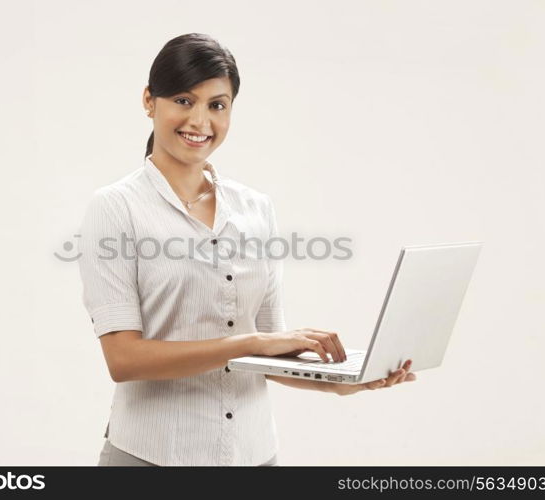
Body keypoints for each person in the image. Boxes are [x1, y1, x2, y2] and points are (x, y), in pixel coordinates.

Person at [77, 33, 416, 467]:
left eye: (217, 105)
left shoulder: (257, 209)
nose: (200, 121)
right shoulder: (115, 208)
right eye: (183, 100)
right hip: (153, 456)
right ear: (149, 101)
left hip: (253, 456)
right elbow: (124, 359)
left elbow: (271, 353)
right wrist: (248, 342)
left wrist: (342, 380)